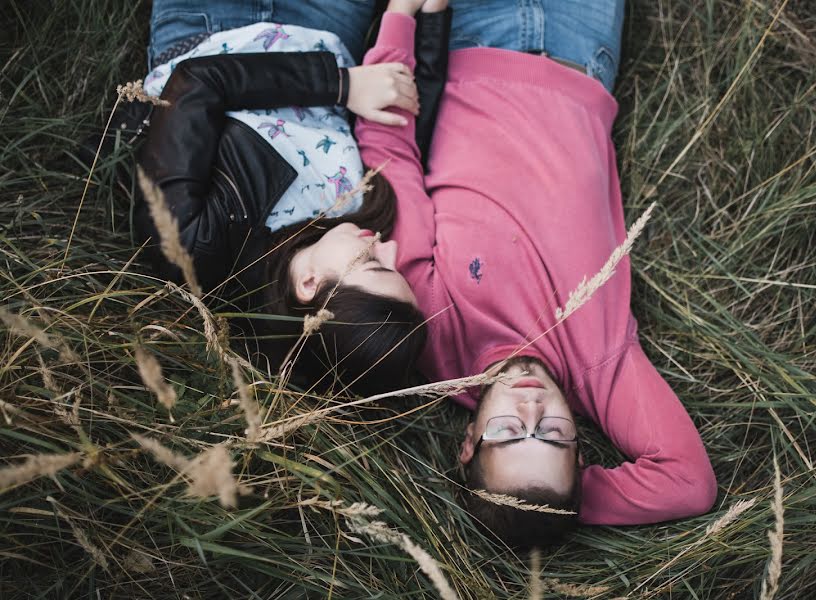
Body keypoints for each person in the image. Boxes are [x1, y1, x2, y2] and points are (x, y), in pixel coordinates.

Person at [356, 0, 718, 547]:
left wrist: (400, 20)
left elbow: (391, 156)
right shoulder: (600, 368)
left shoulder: (428, 331)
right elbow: (689, 484)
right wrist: (555, 505)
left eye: (507, 434)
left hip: (478, 34)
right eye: (553, 435)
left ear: (469, 441)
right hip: (581, 41)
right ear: (580, 449)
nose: (531, 406)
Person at [130, 1, 452, 395]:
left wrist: (343, 86)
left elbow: (197, 82)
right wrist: (432, 20)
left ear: (310, 285)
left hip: (218, 22)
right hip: (327, 28)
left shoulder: (190, 245)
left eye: (374, 265)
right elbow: (403, 136)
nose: (390, 247)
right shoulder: (351, 214)